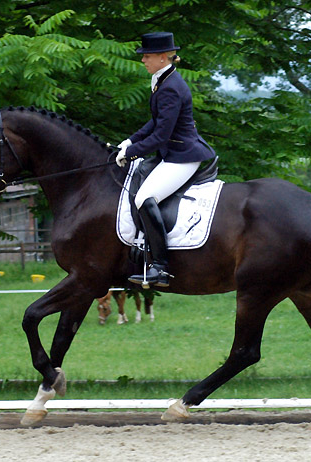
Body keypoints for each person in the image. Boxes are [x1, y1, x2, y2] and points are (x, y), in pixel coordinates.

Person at [116, 32, 216, 287]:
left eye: (147, 56)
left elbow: (162, 135)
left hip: (182, 157)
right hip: (173, 153)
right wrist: (130, 140)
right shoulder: (163, 79)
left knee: (144, 198)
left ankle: (160, 266)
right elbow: (156, 121)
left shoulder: (170, 86)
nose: (143, 61)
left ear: (163, 57)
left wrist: (131, 152)